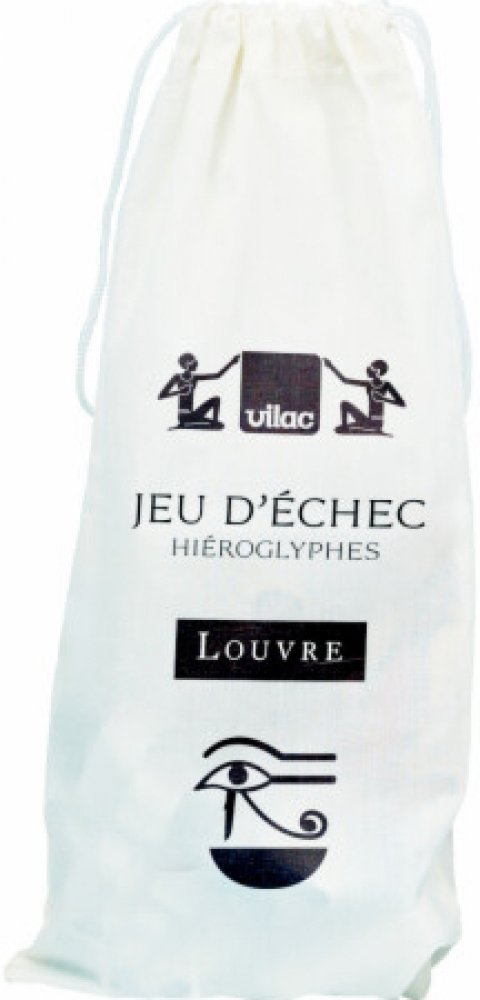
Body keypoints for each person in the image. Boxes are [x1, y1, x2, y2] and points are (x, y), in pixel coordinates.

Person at [158, 352, 240, 430]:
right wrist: (179, 392)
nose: (196, 363)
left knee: (216, 401)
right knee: (219, 425)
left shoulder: (194, 377)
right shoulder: (177, 377)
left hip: (192, 415)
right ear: (187, 363)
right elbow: (161, 396)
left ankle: (212, 424)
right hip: (183, 417)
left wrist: (232, 362)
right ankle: (186, 424)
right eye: (194, 361)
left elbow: (217, 375)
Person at [324, 358, 405, 435]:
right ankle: (345, 427)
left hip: (376, 423)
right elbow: (345, 380)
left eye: (372, 368)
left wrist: (383, 399)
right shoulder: (368, 384)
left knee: (341, 428)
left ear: (378, 371)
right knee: (344, 404)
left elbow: (401, 403)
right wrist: (331, 366)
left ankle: (359, 427)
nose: (368, 369)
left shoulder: (386, 385)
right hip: (368, 420)